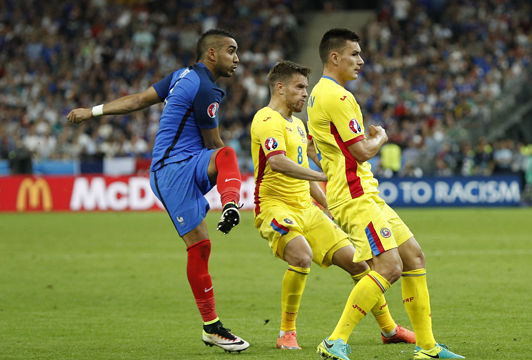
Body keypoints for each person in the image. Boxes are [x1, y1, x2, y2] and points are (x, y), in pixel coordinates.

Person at [66, 29, 249, 353]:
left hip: (187, 162)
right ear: (211, 54)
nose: (237, 59)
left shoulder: (182, 76)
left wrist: (91, 111)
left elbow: (137, 100)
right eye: (231, 51)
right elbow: (214, 144)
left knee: (204, 243)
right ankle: (212, 328)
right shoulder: (206, 88)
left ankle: (230, 204)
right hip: (171, 172)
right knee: (201, 240)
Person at [307, 29, 464, 360]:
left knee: (414, 257)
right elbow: (362, 151)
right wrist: (382, 138)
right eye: (355, 54)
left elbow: (318, 146)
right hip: (354, 195)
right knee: (389, 266)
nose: (361, 61)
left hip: (365, 193)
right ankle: (335, 341)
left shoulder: (318, 95)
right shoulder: (337, 97)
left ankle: (427, 347)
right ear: (334, 57)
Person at [251, 60, 415, 350]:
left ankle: (389, 330)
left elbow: (303, 165)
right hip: (275, 207)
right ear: (279, 87)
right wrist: (322, 174)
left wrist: (328, 204)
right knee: (301, 256)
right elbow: (277, 163)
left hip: (307, 207)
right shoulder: (265, 120)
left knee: (360, 263)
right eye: (299, 87)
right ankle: (286, 333)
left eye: (306, 87)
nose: (305, 93)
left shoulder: (298, 125)